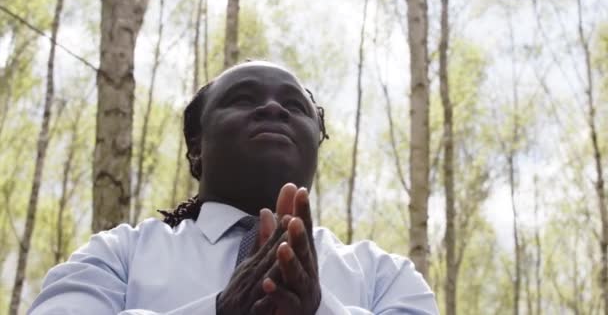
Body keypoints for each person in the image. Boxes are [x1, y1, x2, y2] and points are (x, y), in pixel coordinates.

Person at [29, 61, 439, 314]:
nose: (273, 108)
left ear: (316, 142)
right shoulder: (116, 256)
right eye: (243, 98)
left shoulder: (386, 275)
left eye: (295, 106)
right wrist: (217, 311)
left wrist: (319, 310)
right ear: (195, 147)